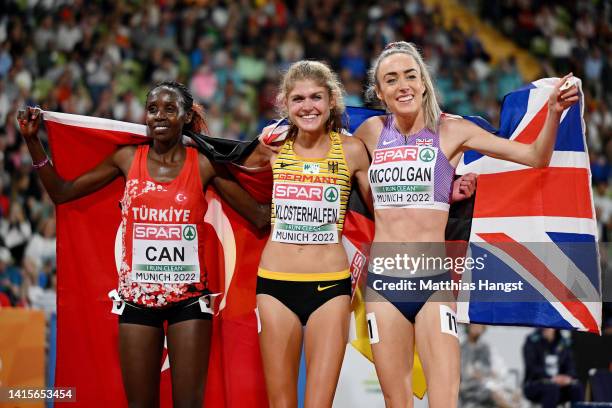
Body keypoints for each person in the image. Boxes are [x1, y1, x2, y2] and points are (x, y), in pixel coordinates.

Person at [17, 81, 269, 408]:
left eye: (169, 109)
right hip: (137, 303)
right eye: (152, 109)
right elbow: (62, 192)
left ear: (186, 116)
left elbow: (259, 216)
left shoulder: (204, 164)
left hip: (189, 304)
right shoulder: (125, 159)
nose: (159, 116)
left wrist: (302, 180)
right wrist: (32, 141)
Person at [354, 41, 578, 407]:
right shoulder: (369, 133)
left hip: (433, 283)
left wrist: (552, 112)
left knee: (445, 399)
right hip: (383, 285)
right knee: (397, 402)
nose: (403, 85)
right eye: (391, 80)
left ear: (424, 82)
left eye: (410, 75)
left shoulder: (451, 130)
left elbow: (535, 157)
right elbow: (327, 165)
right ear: (379, 92)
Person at [253, 60, 372, 408]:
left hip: (331, 287)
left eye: (316, 97)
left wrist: (448, 189)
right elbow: (232, 181)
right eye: (299, 99)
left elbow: (387, 208)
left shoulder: (351, 151)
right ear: (285, 105)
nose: (308, 106)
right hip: (274, 285)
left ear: (332, 100)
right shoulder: (271, 148)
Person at [523, 328, 584, 408]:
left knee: (577, 387)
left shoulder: (564, 342)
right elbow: (532, 368)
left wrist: (567, 378)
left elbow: (570, 366)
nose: (546, 327)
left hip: (559, 385)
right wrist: (552, 378)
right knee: (552, 388)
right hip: (535, 383)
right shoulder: (532, 341)